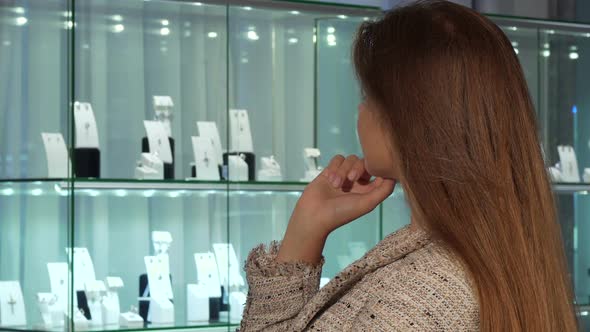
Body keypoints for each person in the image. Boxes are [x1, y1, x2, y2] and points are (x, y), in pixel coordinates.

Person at [239, 0, 578, 330]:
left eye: (368, 97)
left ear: (409, 118)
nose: (360, 112)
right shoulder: (481, 256)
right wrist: (307, 230)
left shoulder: (416, 300)